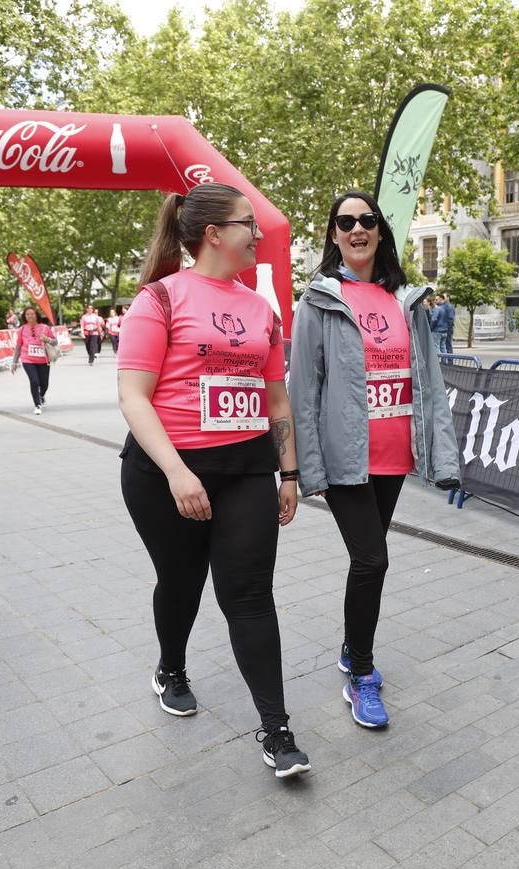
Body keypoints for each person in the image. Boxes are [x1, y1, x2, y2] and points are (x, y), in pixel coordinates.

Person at [117, 183, 311, 778]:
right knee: (181, 583)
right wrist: (178, 473)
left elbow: (276, 398)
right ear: (213, 234)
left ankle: (276, 731)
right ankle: (170, 668)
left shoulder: (262, 308)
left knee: (249, 595)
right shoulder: (160, 299)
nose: (257, 235)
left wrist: (290, 473)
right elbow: (133, 396)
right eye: (247, 224)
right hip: (164, 473)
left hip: (248, 468)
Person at [290, 191, 461, 730]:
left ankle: (350, 648)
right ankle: (359, 671)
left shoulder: (406, 300)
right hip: (346, 459)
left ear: (381, 232)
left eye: (367, 220)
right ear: (334, 235)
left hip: (392, 459)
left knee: (370, 560)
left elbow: (429, 384)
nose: (357, 228)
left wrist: (441, 454)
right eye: (345, 221)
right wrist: (302, 469)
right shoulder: (319, 300)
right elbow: (304, 391)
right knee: (373, 560)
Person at [10, 305, 57, 415]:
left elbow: (55, 342)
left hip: (43, 360)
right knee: (34, 381)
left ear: (36, 315)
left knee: (44, 384)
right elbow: (18, 347)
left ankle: (41, 396)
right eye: (27, 314)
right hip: (28, 360)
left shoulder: (45, 327)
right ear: (24, 316)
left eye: (32, 314)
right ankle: (37, 405)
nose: (30, 316)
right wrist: (14, 362)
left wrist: (48, 339)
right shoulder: (21, 330)